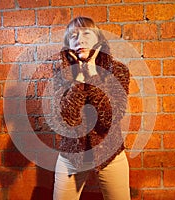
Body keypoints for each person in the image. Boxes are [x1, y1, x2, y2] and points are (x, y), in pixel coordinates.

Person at [52, 16, 131, 200]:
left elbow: (110, 118)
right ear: (68, 45)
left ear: (98, 40)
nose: (80, 40)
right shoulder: (61, 74)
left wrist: (94, 74)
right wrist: (79, 79)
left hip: (110, 152)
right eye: (73, 36)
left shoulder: (117, 70)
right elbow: (67, 119)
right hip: (71, 155)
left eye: (87, 33)